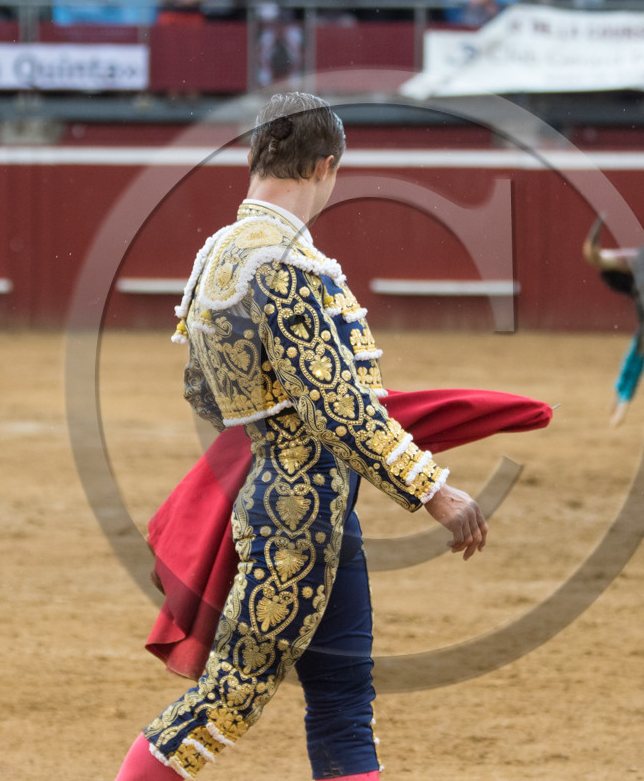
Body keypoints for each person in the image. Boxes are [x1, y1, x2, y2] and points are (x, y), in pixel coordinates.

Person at [113, 92, 487, 781]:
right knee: (230, 695)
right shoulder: (284, 262)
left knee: (343, 699)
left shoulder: (215, 257)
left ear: (255, 155)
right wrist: (434, 490)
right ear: (325, 165)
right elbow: (337, 406)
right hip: (301, 514)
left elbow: (204, 391)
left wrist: (266, 412)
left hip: (289, 502)